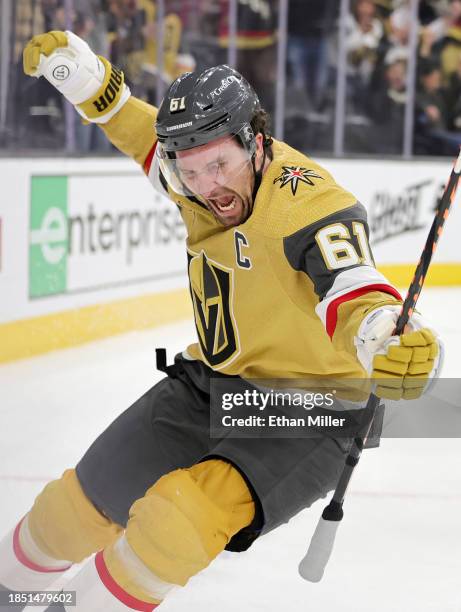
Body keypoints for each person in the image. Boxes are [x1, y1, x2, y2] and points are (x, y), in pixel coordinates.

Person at [0, 30, 441, 611]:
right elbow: (142, 135)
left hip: (315, 407)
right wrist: (85, 80)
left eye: (219, 165)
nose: (209, 187)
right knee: (67, 515)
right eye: (191, 170)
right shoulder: (196, 175)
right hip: (215, 383)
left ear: (255, 142)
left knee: (176, 523)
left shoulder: (311, 207)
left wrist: (385, 336)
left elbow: (353, 287)